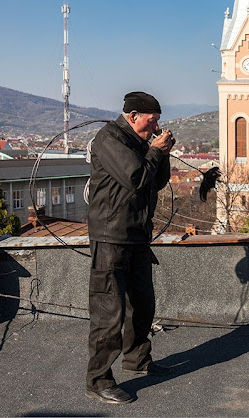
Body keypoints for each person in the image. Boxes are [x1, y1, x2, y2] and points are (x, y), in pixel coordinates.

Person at [85, 91, 175, 404]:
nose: (154, 130)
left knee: (143, 304)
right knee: (109, 311)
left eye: (157, 126)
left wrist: (161, 154)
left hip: (137, 235)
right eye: (151, 123)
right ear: (133, 115)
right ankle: (98, 379)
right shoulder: (109, 138)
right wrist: (153, 152)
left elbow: (155, 182)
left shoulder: (141, 142)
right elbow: (136, 177)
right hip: (111, 236)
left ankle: (137, 359)